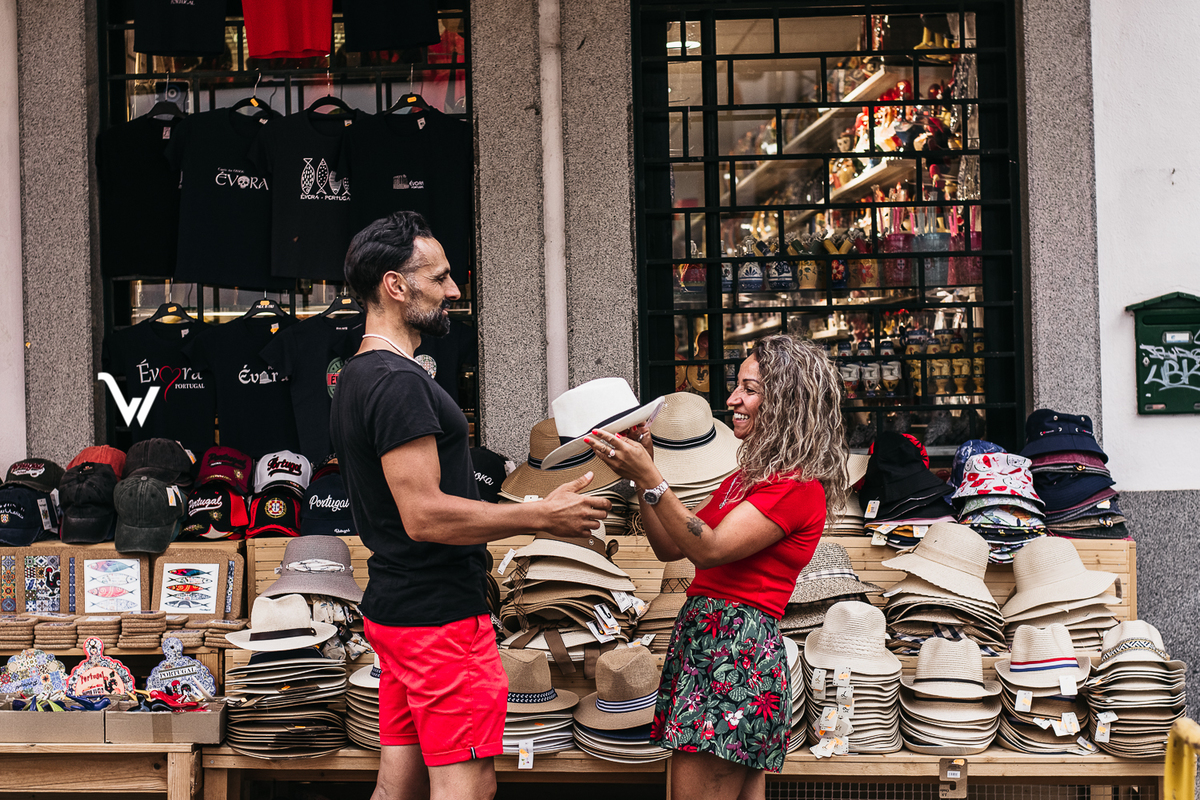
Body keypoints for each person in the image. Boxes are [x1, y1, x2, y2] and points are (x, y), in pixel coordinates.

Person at [331, 211, 611, 800]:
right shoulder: (397, 382)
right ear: (396, 285)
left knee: (397, 785)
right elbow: (425, 515)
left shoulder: (359, 374)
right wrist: (542, 515)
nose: (454, 291)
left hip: (400, 609)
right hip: (438, 620)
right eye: (440, 278)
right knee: (468, 787)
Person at [586, 334, 849, 800]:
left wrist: (652, 478)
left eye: (750, 389)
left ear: (786, 402)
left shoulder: (795, 486)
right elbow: (670, 545)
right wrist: (644, 471)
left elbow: (708, 549)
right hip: (713, 644)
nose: (732, 400)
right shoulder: (745, 479)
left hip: (734, 651)